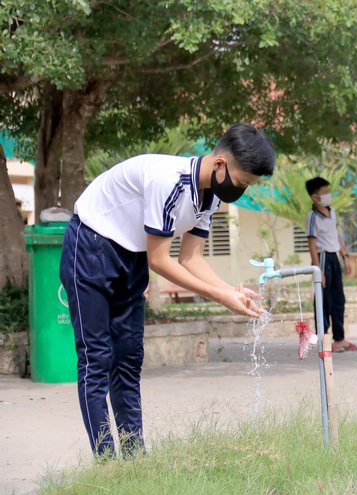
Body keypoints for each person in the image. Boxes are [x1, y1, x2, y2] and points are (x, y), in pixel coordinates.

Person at [59, 123, 275, 457]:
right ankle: (106, 460)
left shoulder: (212, 196)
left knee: (128, 359)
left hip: (131, 255)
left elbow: (190, 258)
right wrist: (220, 297)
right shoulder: (169, 180)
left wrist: (231, 291)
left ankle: (134, 457)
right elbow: (161, 260)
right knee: (97, 357)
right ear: (220, 164)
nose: (241, 190)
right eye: (243, 181)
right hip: (91, 245)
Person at [304, 176, 357, 353]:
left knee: (338, 299)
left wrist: (345, 256)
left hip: (334, 257)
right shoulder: (312, 217)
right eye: (324, 192)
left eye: (329, 191)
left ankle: (340, 338)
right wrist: (319, 270)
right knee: (324, 299)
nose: (328, 195)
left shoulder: (332, 211)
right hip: (323, 258)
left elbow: (336, 236)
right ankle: (323, 339)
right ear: (314, 197)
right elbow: (312, 244)